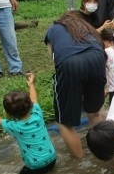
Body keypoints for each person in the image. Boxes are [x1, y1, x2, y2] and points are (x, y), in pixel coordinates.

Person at [45, 11, 106, 158]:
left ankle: (80, 160)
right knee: (95, 113)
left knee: (64, 122)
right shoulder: (86, 28)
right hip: (97, 58)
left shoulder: (52, 30)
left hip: (69, 63)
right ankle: (104, 153)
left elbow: (55, 60)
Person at [0, 73, 56, 174]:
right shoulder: (37, 114)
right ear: (31, 105)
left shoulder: (14, 126)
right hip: (52, 158)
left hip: (35, 166)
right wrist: (31, 84)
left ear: (9, 114)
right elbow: (34, 99)